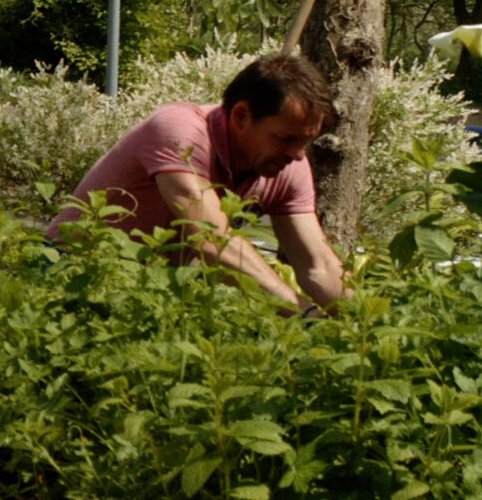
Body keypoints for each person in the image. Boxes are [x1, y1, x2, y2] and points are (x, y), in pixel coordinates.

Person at [50, 54, 348, 312]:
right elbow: (211, 240)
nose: (297, 155)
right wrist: (304, 314)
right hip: (69, 271)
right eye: (285, 139)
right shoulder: (179, 131)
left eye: (306, 141)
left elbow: (317, 265)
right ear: (241, 116)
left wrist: (363, 323)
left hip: (148, 288)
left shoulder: (284, 163)